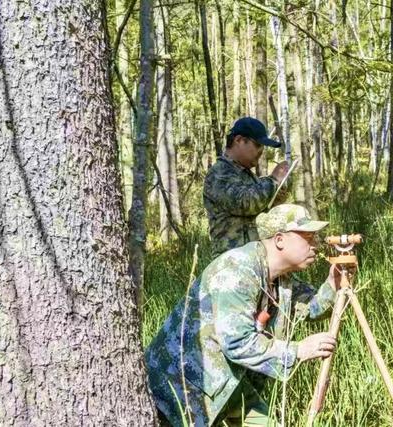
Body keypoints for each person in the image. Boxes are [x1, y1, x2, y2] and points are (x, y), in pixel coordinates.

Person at [145, 204, 342, 426]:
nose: (316, 245)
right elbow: (237, 343)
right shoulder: (237, 269)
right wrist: (298, 351)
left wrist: (334, 282)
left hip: (228, 383)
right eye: (308, 237)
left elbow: (312, 309)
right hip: (182, 387)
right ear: (279, 240)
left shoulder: (281, 279)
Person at [203, 117, 289, 258]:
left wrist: (276, 194)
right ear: (239, 140)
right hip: (230, 262)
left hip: (253, 260)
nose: (261, 151)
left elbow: (261, 213)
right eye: (258, 145)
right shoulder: (219, 173)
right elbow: (245, 202)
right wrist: (273, 181)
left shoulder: (245, 174)